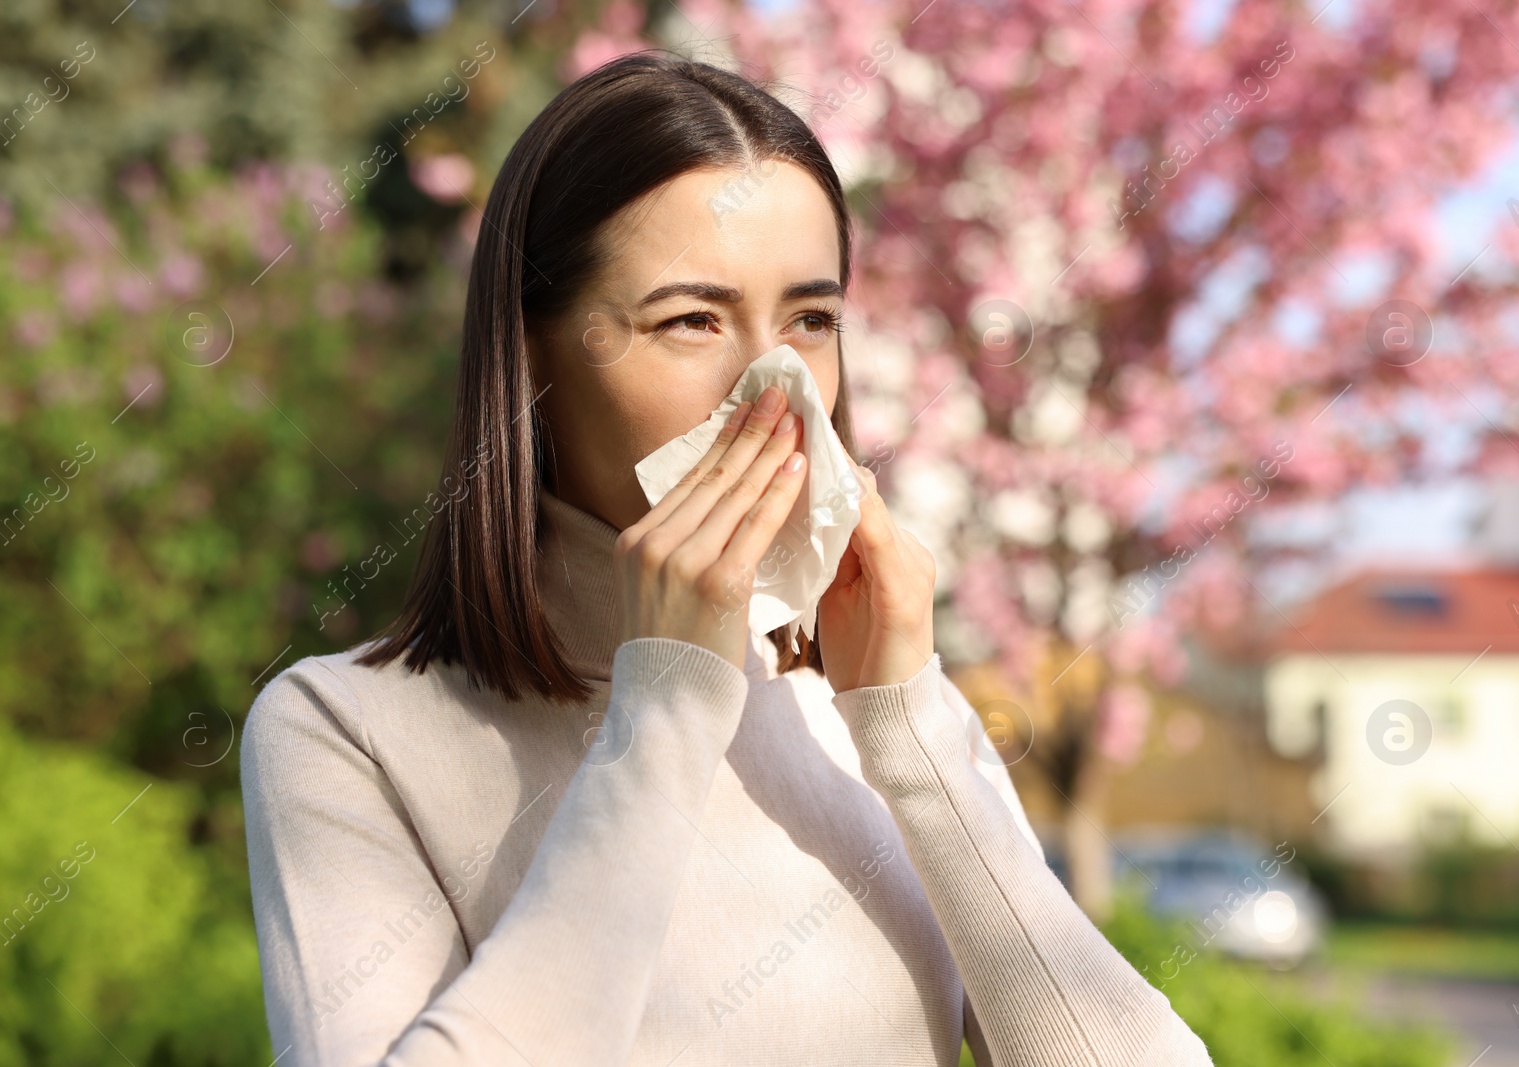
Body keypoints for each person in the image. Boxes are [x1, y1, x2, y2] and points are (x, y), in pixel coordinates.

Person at [240, 50, 1213, 1067]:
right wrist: (662, 715)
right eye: (691, 319)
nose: (771, 386)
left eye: (810, 321)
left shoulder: (871, 715)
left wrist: (910, 723)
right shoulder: (345, 732)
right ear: (531, 350)